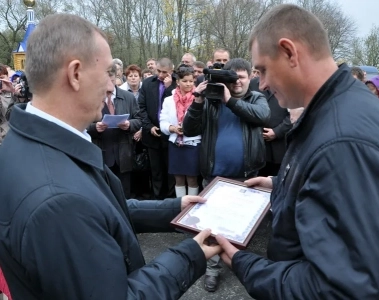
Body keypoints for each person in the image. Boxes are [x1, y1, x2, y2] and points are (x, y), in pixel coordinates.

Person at [0, 14, 221, 300]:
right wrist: (191, 255)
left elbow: (101, 210)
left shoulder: (31, 142)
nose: (110, 85)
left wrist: (176, 208)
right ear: (75, 74)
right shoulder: (58, 201)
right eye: (107, 73)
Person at [215, 4, 379, 299]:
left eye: (262, 70)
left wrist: (245, 264)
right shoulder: (343, 105)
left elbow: (342, 288)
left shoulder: (343, 142)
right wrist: (280, 185)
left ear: (289, 52)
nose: (260, 84)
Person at [183, 58, 269, 292]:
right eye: (233, 77)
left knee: (239, 226)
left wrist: (229, 101)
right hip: (214, 178)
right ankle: (212, 270)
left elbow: (261, 116)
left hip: (246, 177)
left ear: (250, 77)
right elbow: (189, 129)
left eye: (242, 77)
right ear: (226, 79)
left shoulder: (255, 98)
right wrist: (198, 101)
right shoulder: (211, 101)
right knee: (212, 227)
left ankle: (241, 267)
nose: (238, 81)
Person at [87, 63, 141, 199]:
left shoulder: (127, 97)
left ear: (115, 77)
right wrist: (95, 127)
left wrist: (129, 124)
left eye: (111, 79)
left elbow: (139, 120)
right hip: (101, 153)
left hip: (124, 154)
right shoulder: (92, 98)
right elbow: (82, 124)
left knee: (125, 195)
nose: (108, 83)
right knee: (105, 195)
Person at [160, 64, 201, 197]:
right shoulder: (168, 100)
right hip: (175, 143)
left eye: (191, 81)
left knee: (192, 178)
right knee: (178, 178)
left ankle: (192, 206)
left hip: (193, 143)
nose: (188, 84)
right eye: (184, 81)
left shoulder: (199, 98)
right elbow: (163, 121)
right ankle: (181, 206)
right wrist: (172, 128)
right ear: (177, 81)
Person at [139, 58, 177, 199]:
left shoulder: (176, 84)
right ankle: (157, 199)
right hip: (152, 134)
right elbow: (141, 108)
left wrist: (169, 89)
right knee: (155, 171)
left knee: (171, 171)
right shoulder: (148, 83)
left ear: (171, 71)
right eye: (158, 71)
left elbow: (173, 107)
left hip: (171, 135)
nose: (161, 75)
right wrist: (149, 126)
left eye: (164, 72)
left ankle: (171, 199)